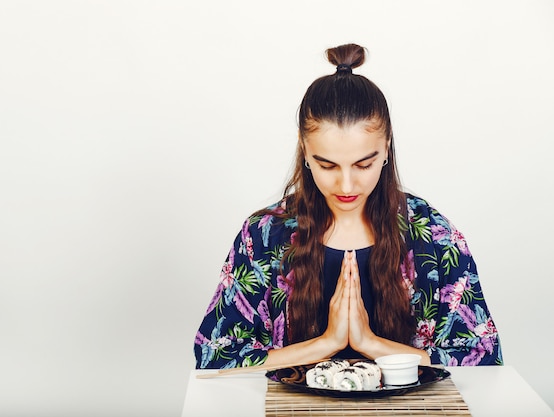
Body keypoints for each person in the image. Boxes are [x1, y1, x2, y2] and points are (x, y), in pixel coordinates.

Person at [194, 43, 503, 369]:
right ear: (304, 150)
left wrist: (369, 343)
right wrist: (328, 342)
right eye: (327, 166)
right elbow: (213, 357)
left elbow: (482, 357)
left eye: (363, 164)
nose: (345, 186)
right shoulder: (262, 236)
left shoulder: (434, 236)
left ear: (385, 148)